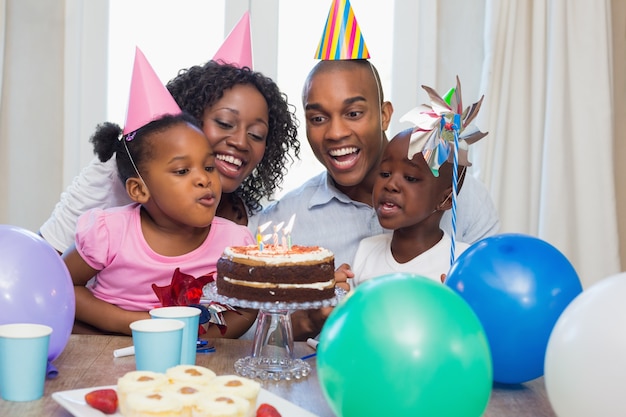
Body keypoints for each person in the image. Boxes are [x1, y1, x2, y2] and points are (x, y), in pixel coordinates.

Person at [248, 59, 499, 339]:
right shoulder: (282, 223)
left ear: (384, 115)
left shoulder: (466, 197)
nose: (336, 133)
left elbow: (498, 315)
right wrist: (308, 319)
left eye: (353, 113)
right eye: (318, 118)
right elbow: (249, 338)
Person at [39, 60, 300, 254]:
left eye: (256, 135)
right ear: (189, 119)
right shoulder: (119, 175)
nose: (241, 142)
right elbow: (47, 260)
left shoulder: (250, 223)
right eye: (224, 122)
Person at [62, 111, 256, 337]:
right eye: (182, 170)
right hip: (110, 350)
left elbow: (247, 306)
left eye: (209, 167)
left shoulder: (234, 244)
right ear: (139, 189)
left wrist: (201, 341)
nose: (204, 179)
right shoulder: (110, 232)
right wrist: (129, 322)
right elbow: (63, 284)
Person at [350, 128, 471, 287]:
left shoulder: (462, 262)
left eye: (410, 178)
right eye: (385, 173)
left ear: (446, 199)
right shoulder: (366, 250)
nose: (390, 185)